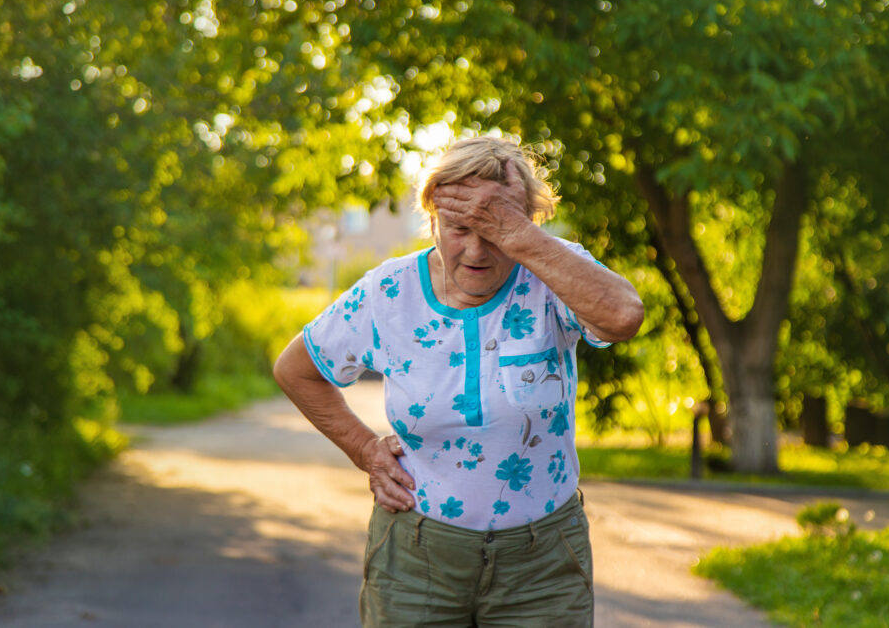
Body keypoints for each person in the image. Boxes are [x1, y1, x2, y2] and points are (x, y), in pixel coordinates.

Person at [273, 136, 644, 627]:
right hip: (416, 557)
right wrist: (364, 449)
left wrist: (522, 237)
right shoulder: (389, 291)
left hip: (543, 564)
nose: (476, 249)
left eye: (495, 230)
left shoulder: (552, 271)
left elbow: (623, 316)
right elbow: (295, 369)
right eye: (459, 226)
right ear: (431, 219)